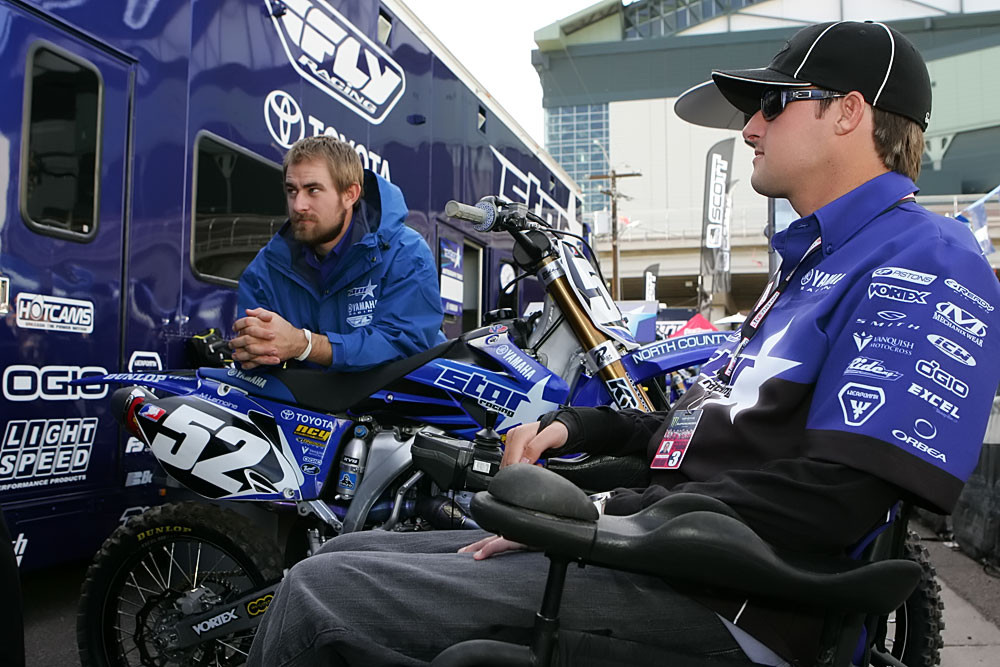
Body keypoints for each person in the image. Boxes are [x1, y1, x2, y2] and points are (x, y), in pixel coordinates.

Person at [247, 21, 1000, 667]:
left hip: (734, 602)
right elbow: (703, 435)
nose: (750, 128)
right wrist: (576, 427)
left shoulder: (924, 258)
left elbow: (835, 498)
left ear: (849, 113)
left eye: (773, 104)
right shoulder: (810, 265)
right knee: (340, 555)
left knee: (322, 595)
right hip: (669, 558)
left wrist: (600, 512)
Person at [229, 136, 444, 372]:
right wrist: (254, 352)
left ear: (350, 194)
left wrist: (304, 345)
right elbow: (254, 363)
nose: (299, 205)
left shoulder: (404, 252)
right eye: (292, 190)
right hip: (307, 407)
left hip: (395, 405)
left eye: (313, 190)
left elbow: (405, 345)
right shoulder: (267, 267)